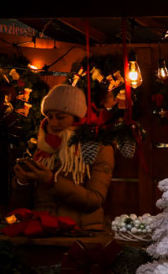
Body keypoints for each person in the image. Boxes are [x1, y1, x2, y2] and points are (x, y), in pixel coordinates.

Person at [12, 83, 114, 231]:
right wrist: (23, 183)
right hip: (43, 229)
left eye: (60, 117)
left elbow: (94, 200)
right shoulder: (44, 149)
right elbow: (27, 204)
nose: (53, 123)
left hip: (81, 231)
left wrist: (52, 182)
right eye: (49, 116)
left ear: (76, 117)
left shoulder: (98, 148)